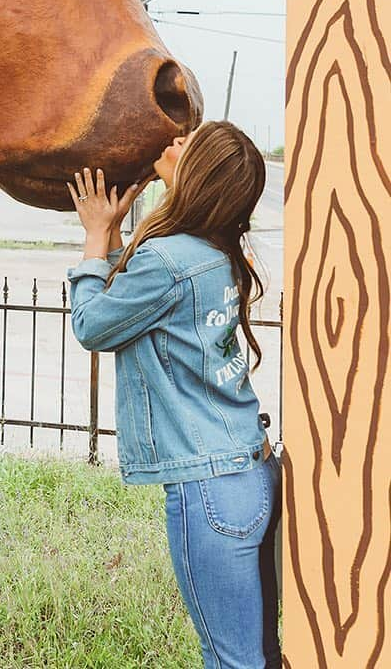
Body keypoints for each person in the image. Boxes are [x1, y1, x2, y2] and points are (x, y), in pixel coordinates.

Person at [66, 121, 280, 669]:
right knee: (254, 653)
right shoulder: (217, 254)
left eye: (192, 144)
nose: (177, 141)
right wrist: (115, 239)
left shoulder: (169, 259)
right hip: (248, 473)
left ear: (201, 174)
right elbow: (137, 306)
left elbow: (94, 325)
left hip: (208, 491)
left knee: (230, 659)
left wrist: (94, 238)